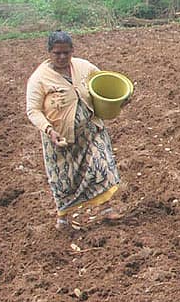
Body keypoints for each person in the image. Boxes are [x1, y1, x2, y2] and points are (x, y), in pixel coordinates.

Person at [26, 31, 123, 232]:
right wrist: (49, 130)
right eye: (57, 53)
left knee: (101, 164)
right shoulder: (39, 78)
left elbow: (102, 82)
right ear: (49, 53)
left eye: (66, 53)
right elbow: (33, 110)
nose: (62, 57)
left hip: (90, 131)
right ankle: (63, 217)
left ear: (72, 51)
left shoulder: (83, 67)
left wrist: (120, 98)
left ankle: (106, 208)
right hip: (60, 137)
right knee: (63, 179)